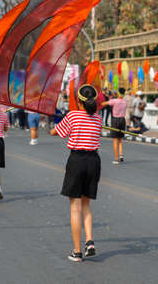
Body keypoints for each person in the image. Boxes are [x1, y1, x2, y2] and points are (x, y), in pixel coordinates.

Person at [50, 84, 102, 262]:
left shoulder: (72, 115)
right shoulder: (98, 118)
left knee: (75, 208)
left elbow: (57, 132)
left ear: (78, 100)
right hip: (94, 162)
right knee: (86, 205)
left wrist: (53, 129)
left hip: (77, 161)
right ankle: (89, 241)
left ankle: (77, 252)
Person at [101, 87, 127, 164]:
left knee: (115, 140)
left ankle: (116, 158)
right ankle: (121, 155)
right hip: (122, 120)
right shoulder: (125, 102)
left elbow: (103, 104)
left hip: (115, 120)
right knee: (120, 139)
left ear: (118, 93)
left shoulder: (114, 101)